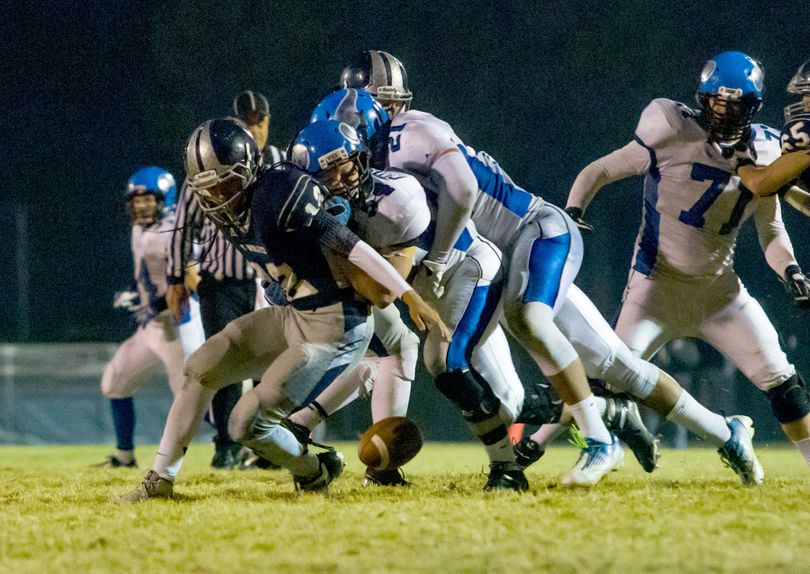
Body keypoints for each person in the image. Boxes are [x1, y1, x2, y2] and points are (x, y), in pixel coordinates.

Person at [121, 119, 446, 501]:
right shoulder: (225, 207)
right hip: (293, 314)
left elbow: (348, 243)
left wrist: (408, 293)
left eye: (224, 184)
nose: (217, 197)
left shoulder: (277, 193)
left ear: (247, 171)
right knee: (200, 367)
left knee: (246, 423)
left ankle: (315, 470)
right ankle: (160, 480)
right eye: (208, 190)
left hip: (335, 324)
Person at [565, 51, 810, 474]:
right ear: (702, 98)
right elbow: (601, 170)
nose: (726, 112)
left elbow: (770, 230)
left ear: (753, 107)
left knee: (783, 382)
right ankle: (587, 448)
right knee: (607, 386)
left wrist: (790, 269)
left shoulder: (766, 148)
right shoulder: (671, 130)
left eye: (736, 105)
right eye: (719, 102)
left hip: (720, 293)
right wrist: (572, 213)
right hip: (655, 286)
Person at [290, 117, 542, 490]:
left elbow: (385, 290)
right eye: (329, 175)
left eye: (343, 166)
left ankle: (508, 468)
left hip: (467, 271)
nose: (343, 179)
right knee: (374, 350)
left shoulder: (397, 198)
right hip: (425, 292)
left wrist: (338, 243)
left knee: (445, 363)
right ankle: (327, 441)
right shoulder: (325, 219)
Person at [98, 167, 203, 467]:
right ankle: (124, 456)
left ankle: (242, 445)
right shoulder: (139, 230)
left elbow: (191, 281)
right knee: (114, 381)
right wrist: (134, 293)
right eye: (136, 200)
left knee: (195, 400)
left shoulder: (176, 233)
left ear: (166, 199)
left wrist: (155, 302)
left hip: (178, 323)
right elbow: (146, 275)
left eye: (148, 199)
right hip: (152, 326)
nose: (141, 206)